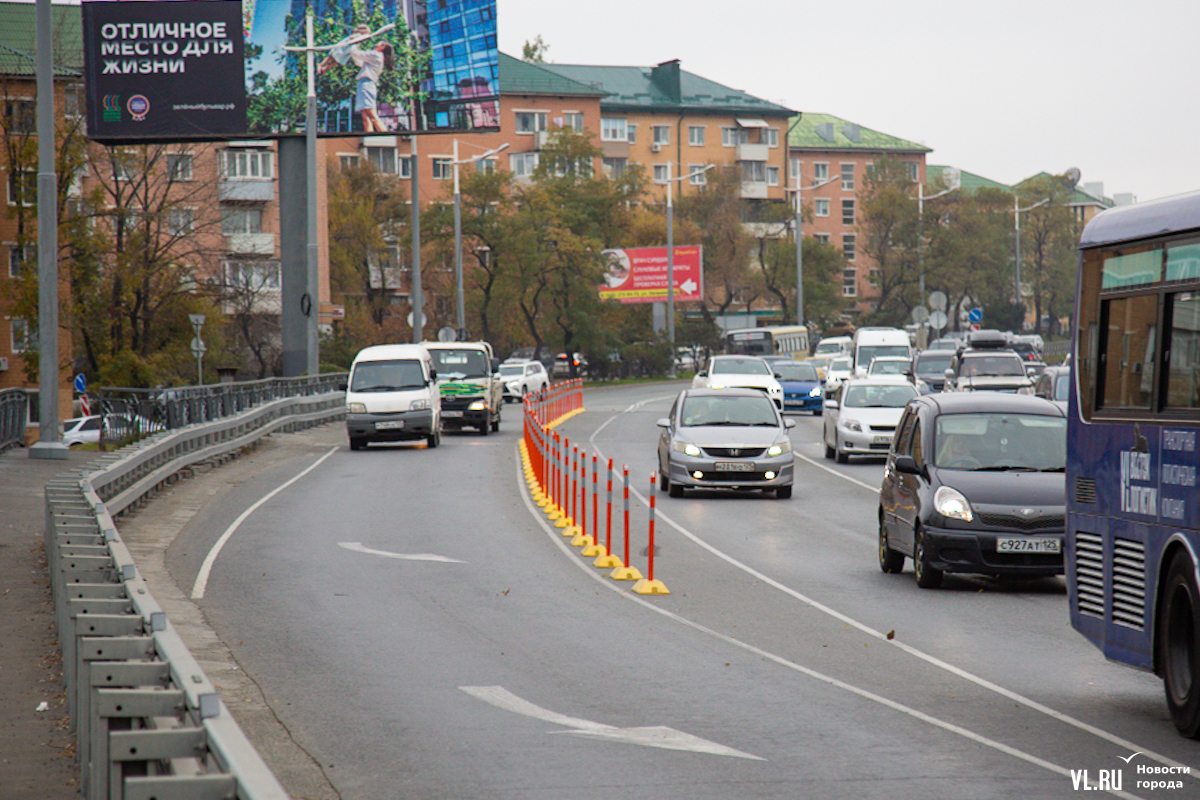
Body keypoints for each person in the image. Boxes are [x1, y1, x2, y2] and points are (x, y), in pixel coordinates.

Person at [318, 25, 395, 133]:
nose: (376, 44)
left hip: (367, 84)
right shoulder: (375, 56)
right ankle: (369, 136)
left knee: (371, 114)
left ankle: (386, 135)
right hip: (364, 84)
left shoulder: (376, 55)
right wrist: (356, 45)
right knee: (365, 117)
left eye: (379, 43)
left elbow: (355, 53)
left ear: (382, 48)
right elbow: (358, 60)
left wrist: (356, 42)